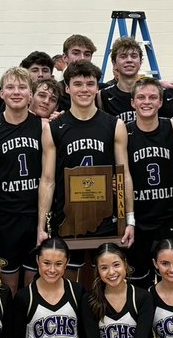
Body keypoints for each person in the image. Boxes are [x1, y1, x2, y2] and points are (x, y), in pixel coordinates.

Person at [38, 61, 135, 278]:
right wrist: (41, 226)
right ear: (67, 88)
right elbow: (47, 180)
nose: (84, 89)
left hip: (107, 219)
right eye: (78, 84)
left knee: (105, 280)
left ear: (97, 87)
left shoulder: (114, 125)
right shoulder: (54, 128)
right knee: (70, 282)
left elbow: (124, 176)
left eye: (90, 84)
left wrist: (130, 220)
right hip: (68, 220)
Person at [0, 68, 51, 291]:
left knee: (33, 285)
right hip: (5, 218)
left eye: (22, 87)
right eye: (10, 87)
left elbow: (49, 178)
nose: (16, 92)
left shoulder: (43, 127)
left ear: (31, 94)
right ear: (1, 93)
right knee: (7, 286)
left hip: (34, 215)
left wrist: (42, 224)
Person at [124, 77, 173, 286]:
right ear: (132, 102)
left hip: (169, 217)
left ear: (161, 102)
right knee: (138, 280)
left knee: (172, 277)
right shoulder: (124, 131)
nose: (146, 102)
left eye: (152, 97)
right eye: (141, 97)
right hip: (139, 218)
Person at [97, 37, 145, 122]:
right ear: (114, 63)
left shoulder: (152, 93)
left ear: (140, 62)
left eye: (134, 56)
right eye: (123, 56)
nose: (129, 60)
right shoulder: (102, 96)